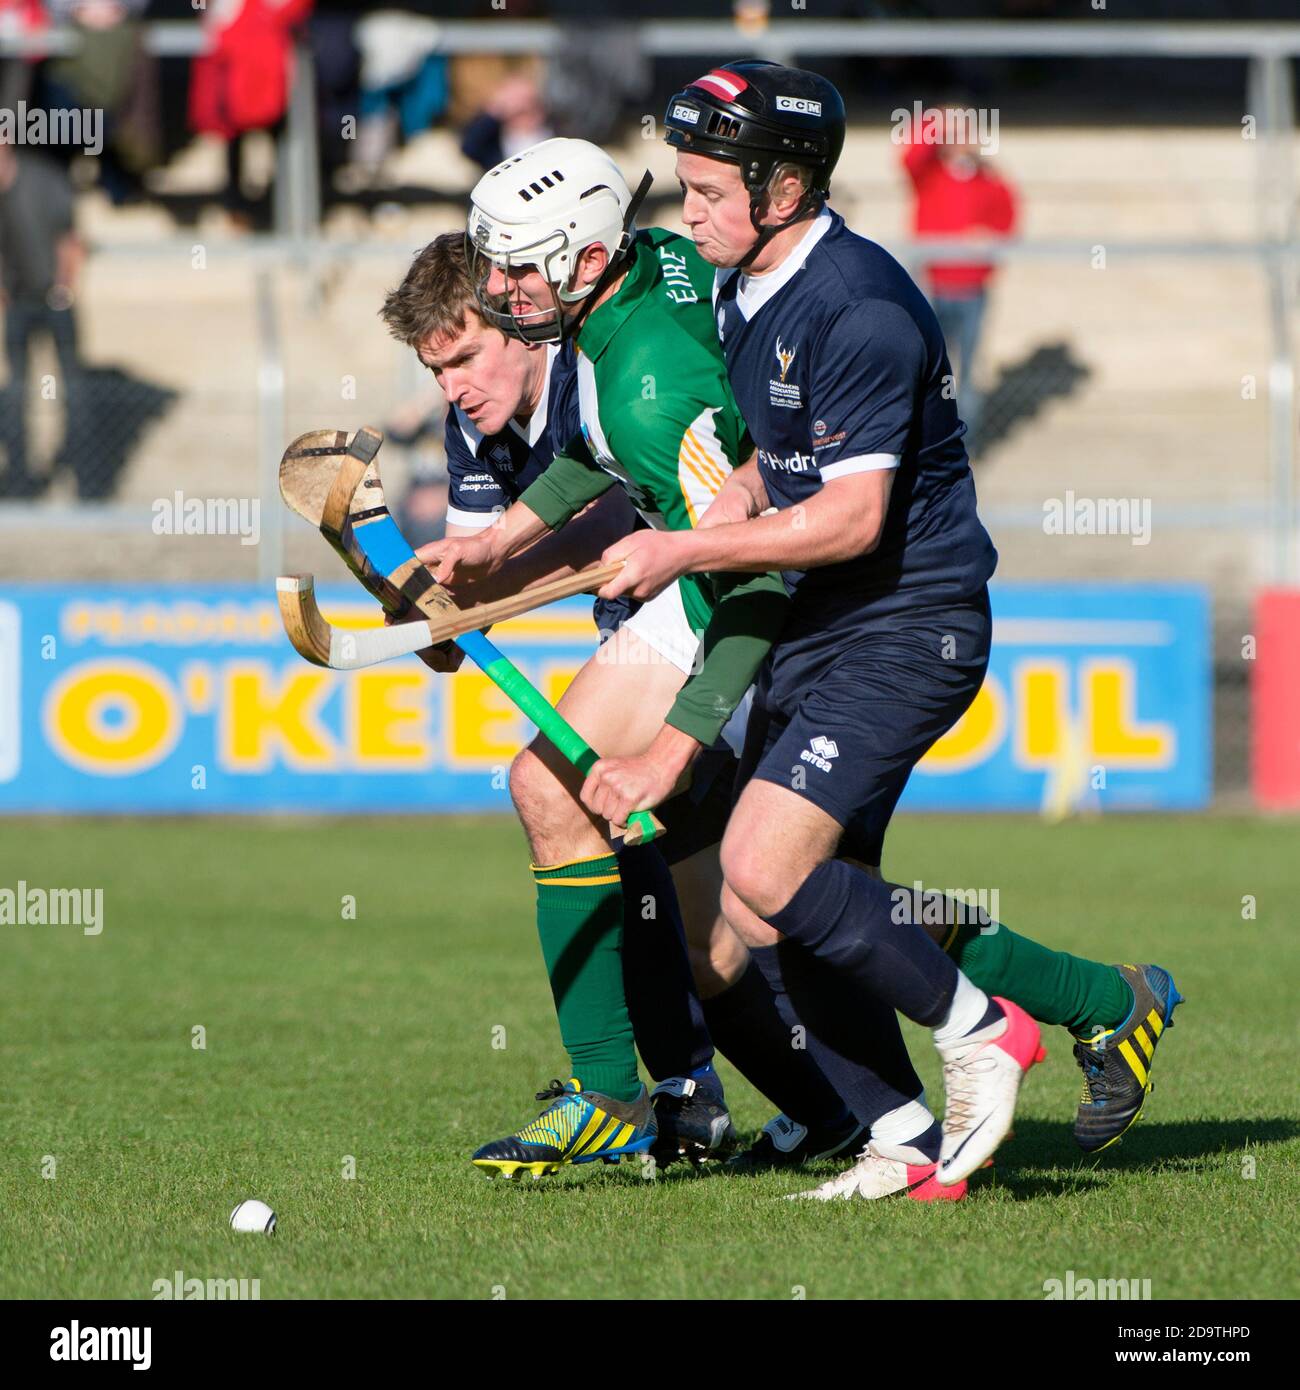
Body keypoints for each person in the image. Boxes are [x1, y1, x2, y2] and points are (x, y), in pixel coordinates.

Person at [586, 60, 1181, 1197]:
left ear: (787, 187)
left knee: (762, 866)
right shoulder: (741, 283)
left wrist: (685, 548)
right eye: (685, 186)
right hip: (823, 629)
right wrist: (741, 494)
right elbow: (792, 450)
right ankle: (907, 1135)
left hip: (908, 623)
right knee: (789, 908)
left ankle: (981, 1032)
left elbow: (855, 517)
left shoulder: (856, 306)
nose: (688, 211)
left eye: (711, 191)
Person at [419, 136, 1025, 1194]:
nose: (501, 290)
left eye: (518, 267)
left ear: (582, 254)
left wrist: (676, 737)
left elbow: (739, 568)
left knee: (751, 897)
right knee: (749, 906)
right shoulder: (632, 283)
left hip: (742, 598)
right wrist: (494, 542)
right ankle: (681, 1097)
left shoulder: (652, 380)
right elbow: (595, 457)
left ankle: (627, 1094)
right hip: (703, 580)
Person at [386, 224, 864, 1174]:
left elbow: (617, 522)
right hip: (662, 622)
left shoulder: (602, 367)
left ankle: (611, 1092)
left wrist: (480, 583)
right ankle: (826, 1116)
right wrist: (417, 606)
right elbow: (481, 596)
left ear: (526, 321)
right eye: (435, 372)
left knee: (554, 792)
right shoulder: (473, 425)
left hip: (733, 604)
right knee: (708, 944)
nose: (454, 389)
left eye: (467, 357)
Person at [900, 100, 1018, 448]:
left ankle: (965, 443)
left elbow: (1008, 217)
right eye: (957, 132)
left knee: (968, 370)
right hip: (932, 287)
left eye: (968, 131)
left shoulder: (990, 181)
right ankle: (926, 436)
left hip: (972, 290)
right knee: (929, 367)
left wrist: (989, 239)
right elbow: (910, 155)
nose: (963, 138)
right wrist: (940, 118)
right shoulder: (929, 174)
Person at [0, 141, 86, 498]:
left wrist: (63, 288)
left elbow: (71, 240)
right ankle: (20, 476)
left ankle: (87, 479)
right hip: (16, 304)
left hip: (54, 300)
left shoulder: (43, 179)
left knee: (74, 389)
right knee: (16, 391)